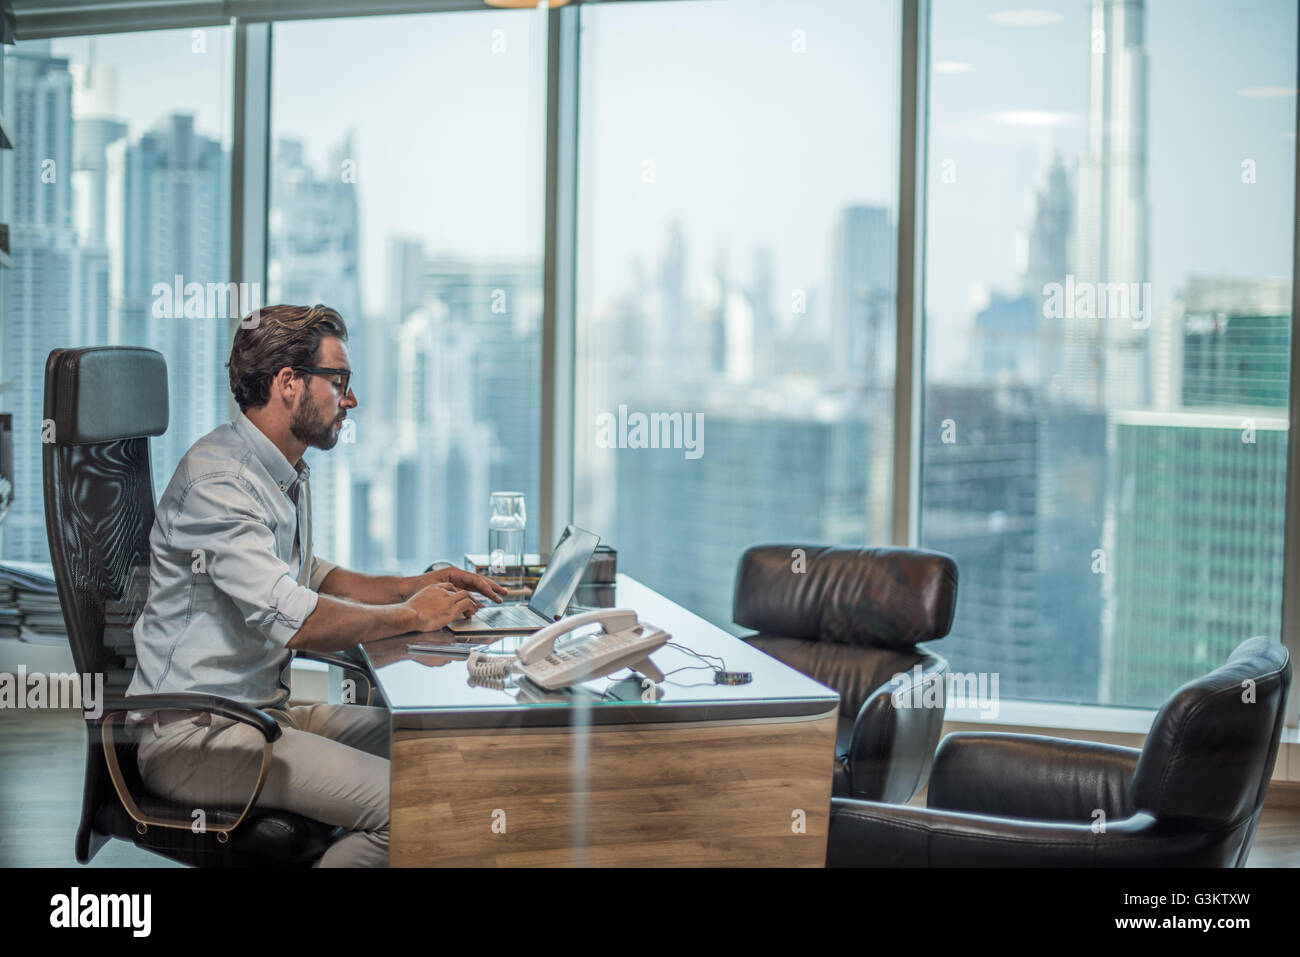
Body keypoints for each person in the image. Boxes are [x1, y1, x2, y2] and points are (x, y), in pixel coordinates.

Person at [126, 303, 506, 867]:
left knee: (441, 748)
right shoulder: (219, 483)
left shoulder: (278, 469)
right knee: (413, 804)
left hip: (261, 714)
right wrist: (412, 616)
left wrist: (414, 587)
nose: (349, 400)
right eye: (340, 381)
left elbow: (313, 575)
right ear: (288, 384)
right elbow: (298, 618)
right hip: (196, 740)